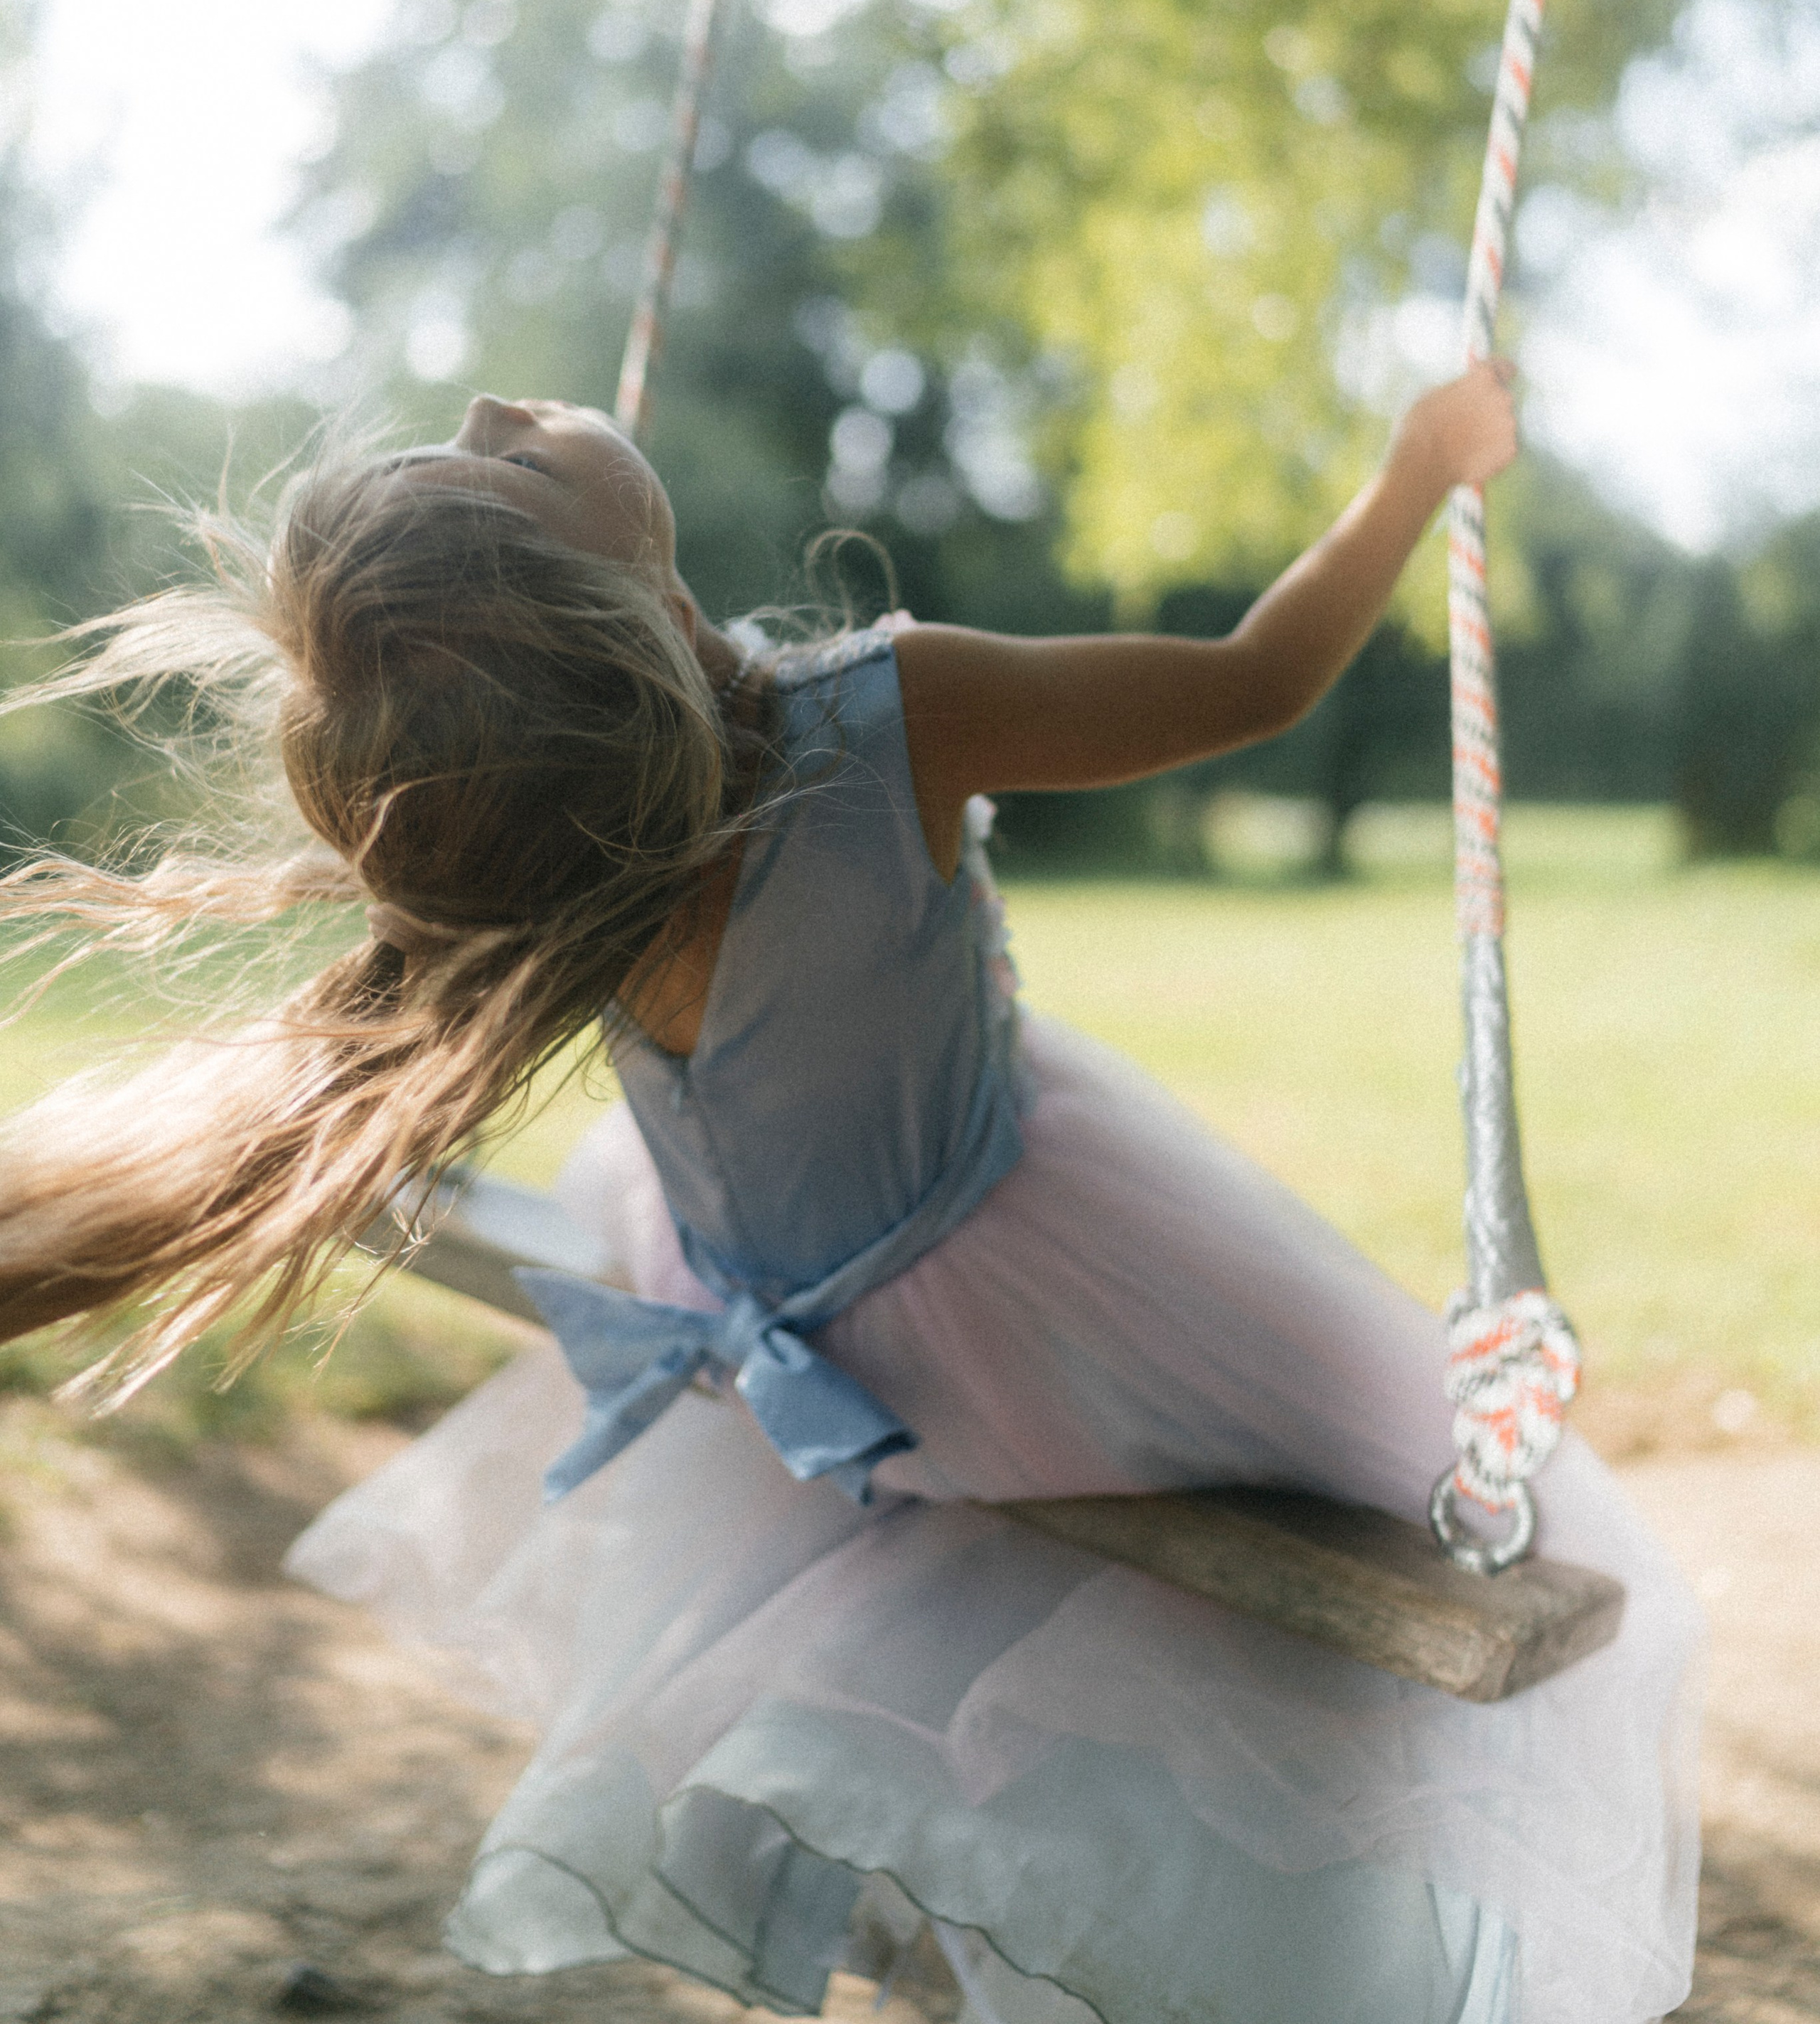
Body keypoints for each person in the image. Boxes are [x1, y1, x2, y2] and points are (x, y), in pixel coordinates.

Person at [0, 368, 1698, 2024]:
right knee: (1437, 1523)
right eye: (507, 473)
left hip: (771, 1323)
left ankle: (974, 1912)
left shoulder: (552, 812)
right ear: (637, 626)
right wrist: (1416, 467)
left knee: (944, 1621)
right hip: (1016, 1325)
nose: (496, 410)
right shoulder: (882, 719)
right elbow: (1251, 680)